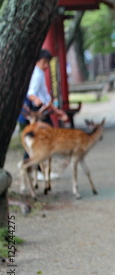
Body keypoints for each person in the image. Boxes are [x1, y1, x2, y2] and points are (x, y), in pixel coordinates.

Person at [19, 49, 68, 180]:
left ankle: (33, 166)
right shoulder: (36, 74)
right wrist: (36, 100)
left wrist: (57, 111)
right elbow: (32, 93)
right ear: (38, 61)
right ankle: (38, 169)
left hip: (44, 111)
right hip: (40, 113)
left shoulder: (39, 73)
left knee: (37, 140)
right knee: (42, 140)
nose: (46, 66)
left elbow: (46, 97)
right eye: (44, 62)